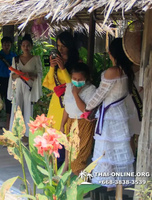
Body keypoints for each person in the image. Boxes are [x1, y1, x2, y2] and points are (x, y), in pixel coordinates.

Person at [85, 38, 135, 188]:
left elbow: (100, 94)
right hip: (120, 112)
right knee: (118, 148)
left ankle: (108, 185)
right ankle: (116, 186)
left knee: (106, 150)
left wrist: (87, 109)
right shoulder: (128, 70)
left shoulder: (113, 71)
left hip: (109, 115)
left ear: (111, 53)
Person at [43, 31, 79, 167]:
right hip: (55, 104)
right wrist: (53, 67)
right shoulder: (56, 63)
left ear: (70, 47)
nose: (60, 50)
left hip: (68, 106)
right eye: (58, 46)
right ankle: (53, 171)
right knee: (52, 139)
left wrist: (63, 69)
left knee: (64, 138)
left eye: (63, 46)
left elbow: (74, 86)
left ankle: (63, 170)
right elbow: (49, 84)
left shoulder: (76, 64)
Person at [60, 63, 96, 176]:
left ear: (87, 78)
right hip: (71, 122)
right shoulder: (69, 86)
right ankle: (84, 187)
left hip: (84, 125)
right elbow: (67, 108)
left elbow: (85, 110)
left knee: (78, 160)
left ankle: (86, 186)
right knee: (69, 154)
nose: (76, 81)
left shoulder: (91, 90)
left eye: (80, 79)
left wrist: (76, 94)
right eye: (74, 78)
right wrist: (62, 124)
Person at [7, 34, 42, 144]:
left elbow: (39, 74)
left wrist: (29, 74)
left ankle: (27, 136)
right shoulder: (15, 59)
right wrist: (18, 75)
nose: (25, 47)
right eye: (23, 45)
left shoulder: (36, 59)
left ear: (31, 46)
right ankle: (15, 133)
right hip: (18, 86)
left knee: (28, 109)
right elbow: (12, 76)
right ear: (21, 47)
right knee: (16, 108)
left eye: (28, 45)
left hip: (29, 86)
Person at [0, 36, 17, 130]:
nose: (6, 46)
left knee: (9, 102)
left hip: (10, 80)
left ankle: (8, 124)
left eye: (8, 44)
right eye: (5, 44)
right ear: (2, 45)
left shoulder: (14, 56)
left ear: (11, 45)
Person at [125, 64, 143, 157]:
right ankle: (134, 158)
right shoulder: (124, 72)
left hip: (138, 106)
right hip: (131, 106)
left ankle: (136, 159)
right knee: (132, 136)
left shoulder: (145, 70)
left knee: (136, 136)